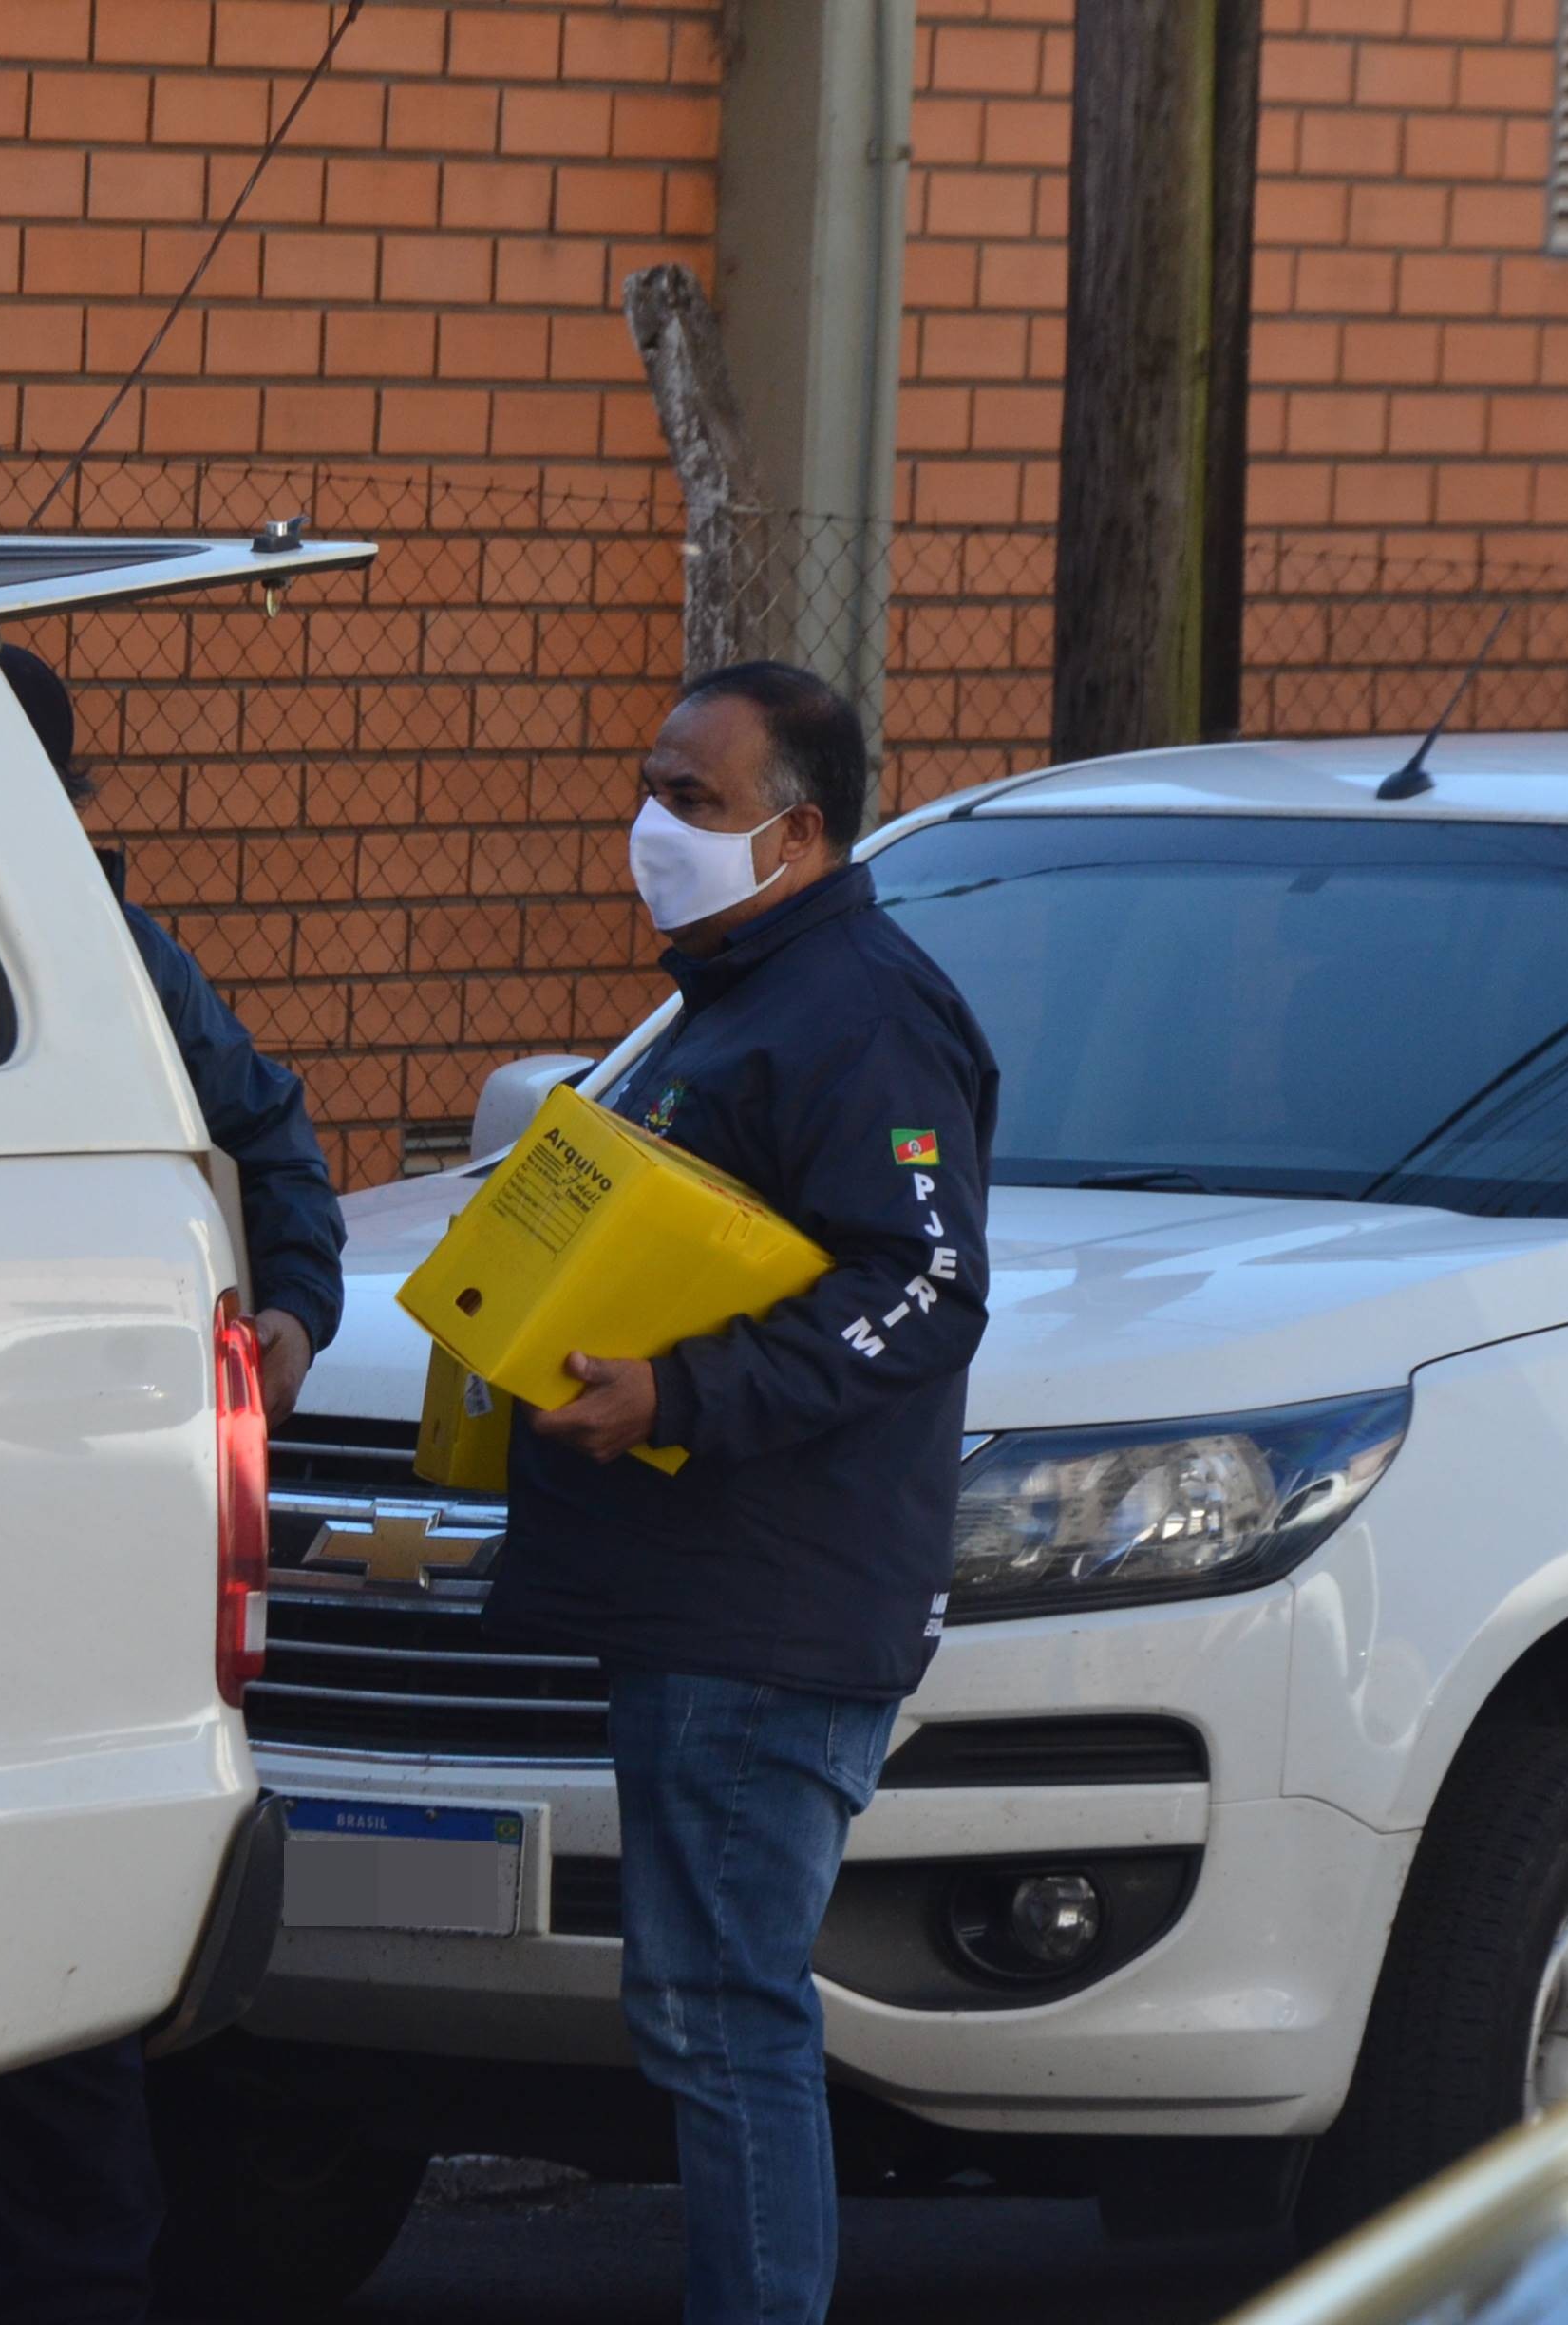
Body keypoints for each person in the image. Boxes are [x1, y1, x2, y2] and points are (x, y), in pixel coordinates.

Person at [0, 642, 344, 2325]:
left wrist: (290, 1322)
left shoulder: (115, 963)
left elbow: (270, 1147)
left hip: (58, 1534)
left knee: (58, 2006)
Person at [485, 661, 998, 2325]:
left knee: (724, 2013)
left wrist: (679, 1395)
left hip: (768, 1605)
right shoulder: (738, 999)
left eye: (694, 803)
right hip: (697, 1586)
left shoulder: (860, 1007)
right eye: (650, 788)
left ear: (798, 833)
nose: (654, 829)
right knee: (704, 2007)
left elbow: (922, 1286)